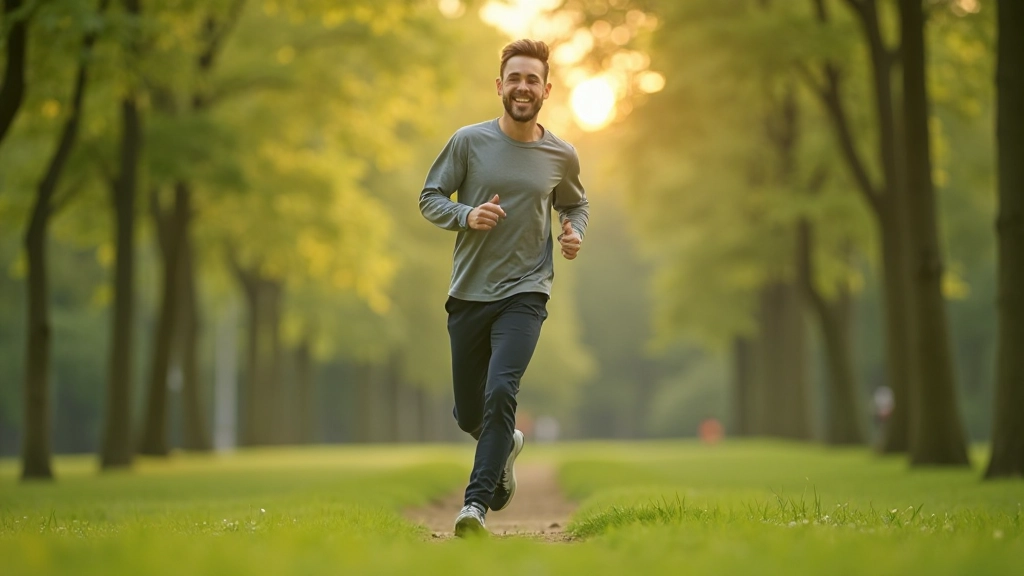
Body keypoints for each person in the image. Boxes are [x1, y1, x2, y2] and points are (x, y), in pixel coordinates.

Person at [418, 38, 589, 537]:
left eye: (532, 79)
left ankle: (475, 505)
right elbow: (429, 197)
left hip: (526, 291)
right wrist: (467, 214)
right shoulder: (468, 142)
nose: (522, 87)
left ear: (546, 89)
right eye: (514, 77)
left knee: (501, 389)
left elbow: (574, 204)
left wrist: (575, 231)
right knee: (469, 411)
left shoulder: (562, 154)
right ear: (499, 85)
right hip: (469, 291)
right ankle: (504, 443)